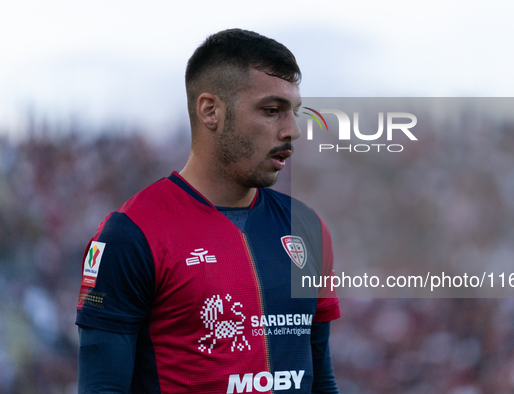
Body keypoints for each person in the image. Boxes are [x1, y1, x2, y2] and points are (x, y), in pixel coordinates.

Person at [76, 29, 340, 393]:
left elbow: (321, 381)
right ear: (211, 111)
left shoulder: (307, 227)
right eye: (271, 110)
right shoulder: (131, 233)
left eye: (293, 113)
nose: (292, 130)